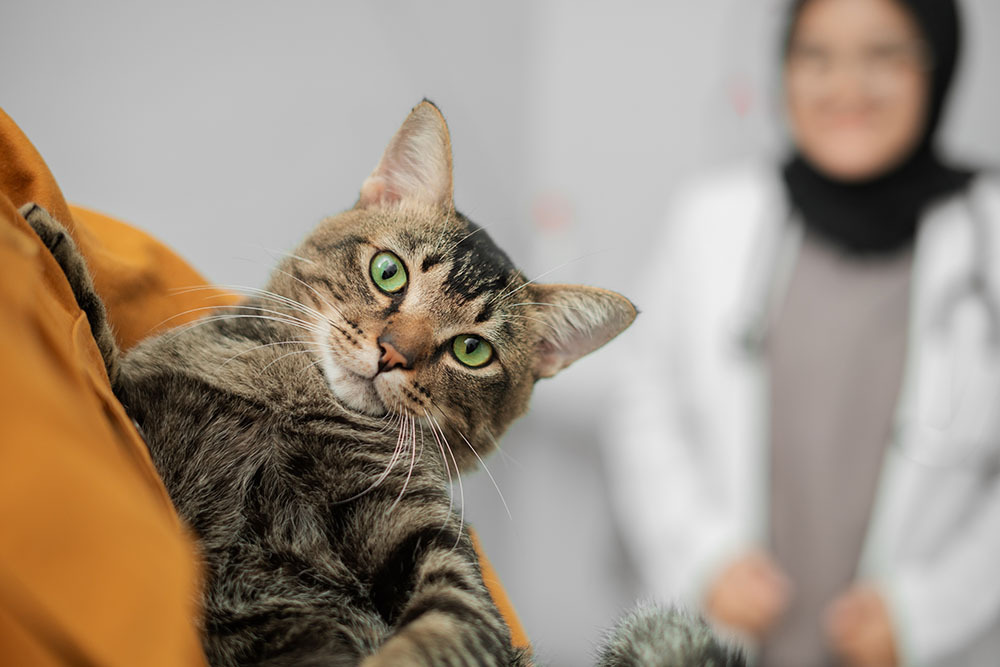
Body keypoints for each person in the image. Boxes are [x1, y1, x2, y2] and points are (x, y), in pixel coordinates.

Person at [0, 109, 528, 664]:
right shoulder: (199, 340)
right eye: (389, 274)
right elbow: (117, 446)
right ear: (381, 196)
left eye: (470, 349)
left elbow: (469, 621)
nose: (397, 349)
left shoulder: (394, 466)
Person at [606, 0, 1000, 665]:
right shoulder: (712, 220)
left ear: (939, 65)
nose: (846, 86)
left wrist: (928, 611)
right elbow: (644, 407)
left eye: (883, 55)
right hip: (734, 631)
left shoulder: (987, 234)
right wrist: (703, 557)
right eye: (815, 56)